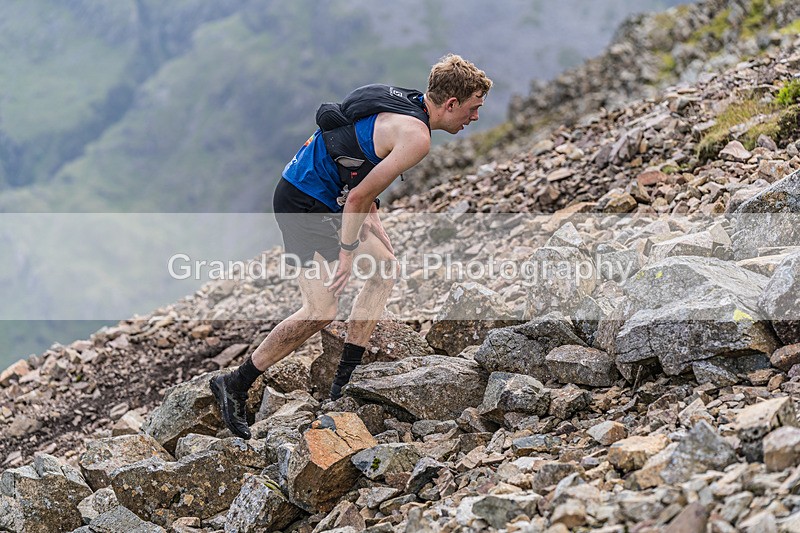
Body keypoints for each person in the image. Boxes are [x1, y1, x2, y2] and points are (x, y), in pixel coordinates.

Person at [211, 54, 492, 439]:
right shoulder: (418, 137)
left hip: (326, 198)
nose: (475, 117)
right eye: (474, 108)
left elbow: (358, 160)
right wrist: (346, 250)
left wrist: (372, 220)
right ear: (451, 104)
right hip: (303, 202)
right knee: (321, 310)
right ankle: (235, 383)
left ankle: (344, 384)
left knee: (384, 268)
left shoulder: (409, 103)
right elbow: (358, 195)